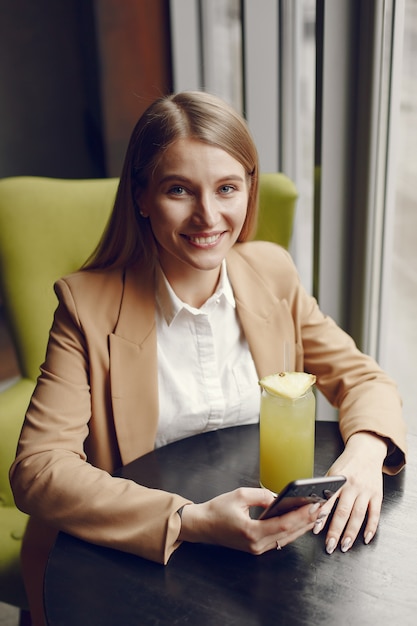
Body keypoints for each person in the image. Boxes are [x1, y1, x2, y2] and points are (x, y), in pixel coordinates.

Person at [10, 91, 407, 626]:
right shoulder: (86, 306)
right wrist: (190, 520)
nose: (208, 215)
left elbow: (363, 377)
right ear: (143, 197)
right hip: (135, 562)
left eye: (226, 188)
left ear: (249, 189)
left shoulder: (271, 271)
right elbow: (37, 470)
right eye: (179, 189)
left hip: (264, 559)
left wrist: (365, 451)